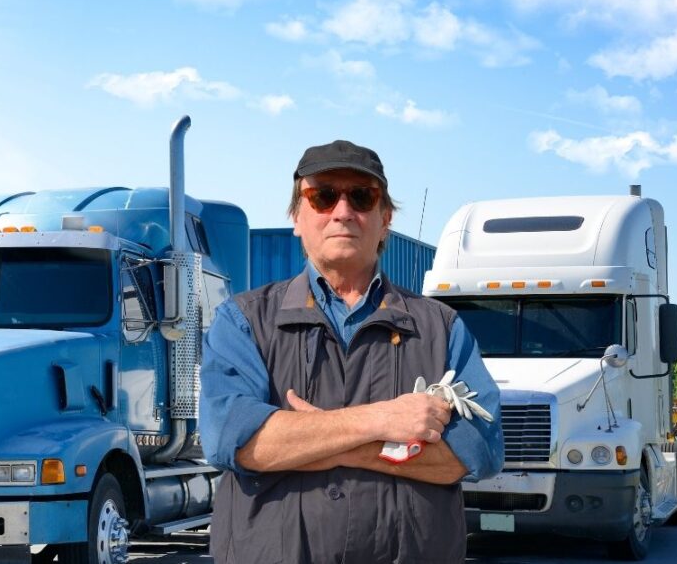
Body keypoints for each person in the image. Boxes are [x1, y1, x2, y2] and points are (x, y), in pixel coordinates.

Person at [199, 140, 504, 563]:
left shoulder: (441, 327)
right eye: (323, 196)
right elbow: (238, 442)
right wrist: (384, 419)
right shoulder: (243, 321)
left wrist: (314, 440)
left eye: (361, 196)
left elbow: (474, 452)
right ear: (296, 218)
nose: (342, 211)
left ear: (385, 220)